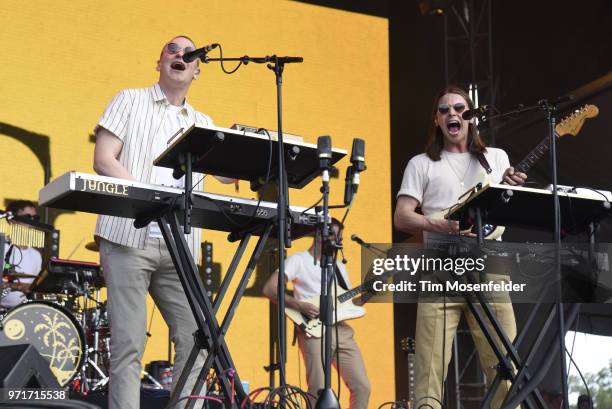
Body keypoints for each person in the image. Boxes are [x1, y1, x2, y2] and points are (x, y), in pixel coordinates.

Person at [93, 35, 232, 409]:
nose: (179, 55)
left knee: (200, 339)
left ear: (197, 70)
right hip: (128, 236)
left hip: (179, 246)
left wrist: (249, 151)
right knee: (128, 345)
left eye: (188, 53)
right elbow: (104, 158)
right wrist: (147, 199)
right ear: (159, 63)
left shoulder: (203, 123)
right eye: (172, 49)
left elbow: (228, 175)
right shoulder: (129, 99)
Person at [393, 86, 527, 409]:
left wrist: (514, 190)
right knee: (429, 368)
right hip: (441, 269)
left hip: (489, 265)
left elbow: (506, 210)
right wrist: (435, 224)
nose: (452, 113)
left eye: (459, 108)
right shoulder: (421, 164)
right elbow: (401, 217)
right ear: (437, 121)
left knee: (504, 362)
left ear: (470, 116)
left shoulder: (496, 158)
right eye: (444, 110)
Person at [262, 219, 371, 409]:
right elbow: (270, 289)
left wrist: (370, 293)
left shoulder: (338, 266)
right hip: (314, 330)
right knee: (318, 390)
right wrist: (299, 305)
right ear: (321, 236)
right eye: (336, 237)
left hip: (341, 331)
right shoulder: (299, 260)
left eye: (340, 238)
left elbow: (348, 303)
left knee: (362, 386)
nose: (339, 243)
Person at [1, 200, 43, 309]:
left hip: (24, 313)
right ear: (12, 220)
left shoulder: (36, 255)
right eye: (28, 217)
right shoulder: (2, 249)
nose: (33, 222)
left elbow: (35, 288)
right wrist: (19, 286)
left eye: (35, 218)